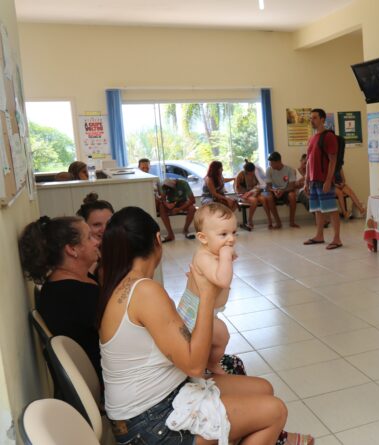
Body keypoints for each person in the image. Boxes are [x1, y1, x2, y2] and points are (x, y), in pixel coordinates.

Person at [98, 207, 314, 444]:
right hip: (151, 421)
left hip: (152, 405)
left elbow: (175, 336)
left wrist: (197, 293)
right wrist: (207, 295)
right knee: (275, 411)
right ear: (157, 240)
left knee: (263, 387)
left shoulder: (122, 285)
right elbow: (195, 366)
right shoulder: (145, 291)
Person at [19, 216, 102, 379]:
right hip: (105, 378)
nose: (97, 242)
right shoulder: (75, 294)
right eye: (89, 237)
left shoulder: (60, 282)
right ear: (72, 249)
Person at [176, 203, 234, 375]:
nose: (231, 239)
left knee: (215, 339)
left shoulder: (211, 252)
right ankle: (211, 363)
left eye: (233, 232)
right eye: (223, 234)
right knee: (223, 334)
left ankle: (207, 358)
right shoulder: (203, 257)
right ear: (202, 238)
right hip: (197, 315)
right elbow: (223, 280)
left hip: (205, 310)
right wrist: (226, 257)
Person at [303, 108, 342, 249]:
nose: (312, 121)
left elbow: (333, 160)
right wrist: (306, 180)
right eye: (311, 118)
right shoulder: (312, 138)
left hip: (324, 180)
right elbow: (308, 161)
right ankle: (319, 236)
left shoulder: (328, 137)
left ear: (322, 119)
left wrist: (328, 180)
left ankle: (337, 239)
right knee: (317, 209)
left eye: (314, 118)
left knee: (331, 209)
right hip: (313, 181)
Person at [76, 192, 115, 276]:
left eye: (109, 223)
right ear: (84, 226)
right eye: (97, 225)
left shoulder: (122, 252)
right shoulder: (79, 258)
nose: (104, 229)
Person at [264, 151, 299, 229]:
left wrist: (282, 191)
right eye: (270, 163)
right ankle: (278, 223)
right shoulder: (269, 170)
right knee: (269, 197)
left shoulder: (289, 170)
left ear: (278, 162)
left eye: (272, 163)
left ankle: (292, 222)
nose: (270, 165)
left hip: (286, 191)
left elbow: (292, 186)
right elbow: (268, 187)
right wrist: (275, 191)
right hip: (274, 191)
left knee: (292, 196)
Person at [235, 160, 271, 230]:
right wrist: (246, 194)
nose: (252, 174)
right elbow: (237, 188)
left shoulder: (256, 173)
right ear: (246, 171)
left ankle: (269, 220)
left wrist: (255, 192)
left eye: (252, 172)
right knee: (254, 200)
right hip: (243, 194)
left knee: (264, 199)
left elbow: (260, 186)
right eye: (250, 173)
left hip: (254, 192)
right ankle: (250, 220)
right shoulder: (241, 175)